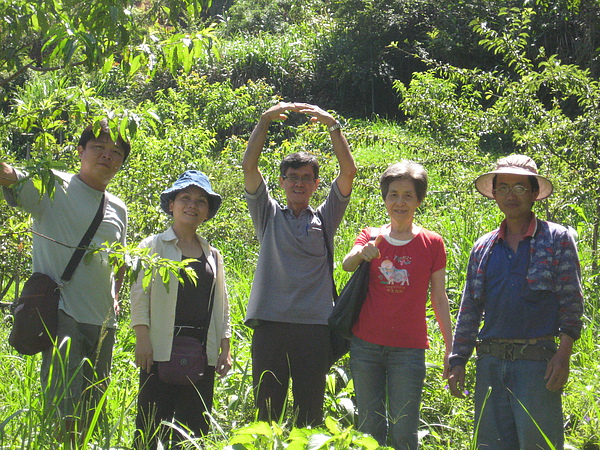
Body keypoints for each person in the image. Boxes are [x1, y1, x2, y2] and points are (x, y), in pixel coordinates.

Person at [0, 120, 129, 436]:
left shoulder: (118, 207)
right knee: (64, 411)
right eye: (98, 147)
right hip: (64, 315)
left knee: (93, 408)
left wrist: (116, 296)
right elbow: (9, 175)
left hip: (102, 324)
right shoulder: (53, 185)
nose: (106, 156)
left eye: (116, 152)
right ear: (81, 151)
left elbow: (121, 260)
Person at [448, 155, 584, 449]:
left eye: (520, 188)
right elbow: (469, 308)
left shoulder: (556, 238)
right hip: (490, 363)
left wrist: (563, 356)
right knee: (490, 445)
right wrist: (458, 360)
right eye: (504, 187)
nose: (511, 195)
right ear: (494, 193)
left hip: (537, 364)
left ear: (534, 193)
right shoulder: (483, 247)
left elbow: (571, 302)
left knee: (539, 444)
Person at [242, 102, 357, 427]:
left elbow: (348, 173)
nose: (299, 183)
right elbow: (249, 167)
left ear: (316, 184)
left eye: (307, 178)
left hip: (314, 327)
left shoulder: (325, 218)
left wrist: (333, 125)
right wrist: (264, 120)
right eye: (292, 177)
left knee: (310, 414)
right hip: (270, 325)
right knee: (266, 414)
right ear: (281, 181)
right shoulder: (268, 215)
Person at [342, 161, 453, 450]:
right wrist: (361, 253)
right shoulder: (371, 235)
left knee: (405, 431)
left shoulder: (433, 243)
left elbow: (439, 299)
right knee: (369, 429)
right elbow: (347, 263)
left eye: (407, 195)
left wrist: (450, 349)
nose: (399, 202)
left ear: (419, 200)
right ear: (385, 198)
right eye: (393, 194)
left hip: (409, 350)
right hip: (366, 346)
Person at [130, 170, 232, 449]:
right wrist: (142, 339)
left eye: (201, 201)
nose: (192, 205)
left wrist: (225, 347)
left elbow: (222, 305)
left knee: (193, 430)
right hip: (160, 350)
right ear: (171, 205)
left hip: (201, 351)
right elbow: (139, 296)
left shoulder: (213, 255)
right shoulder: (153, 246)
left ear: (207, 211)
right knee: (150, 426)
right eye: (185, 198)